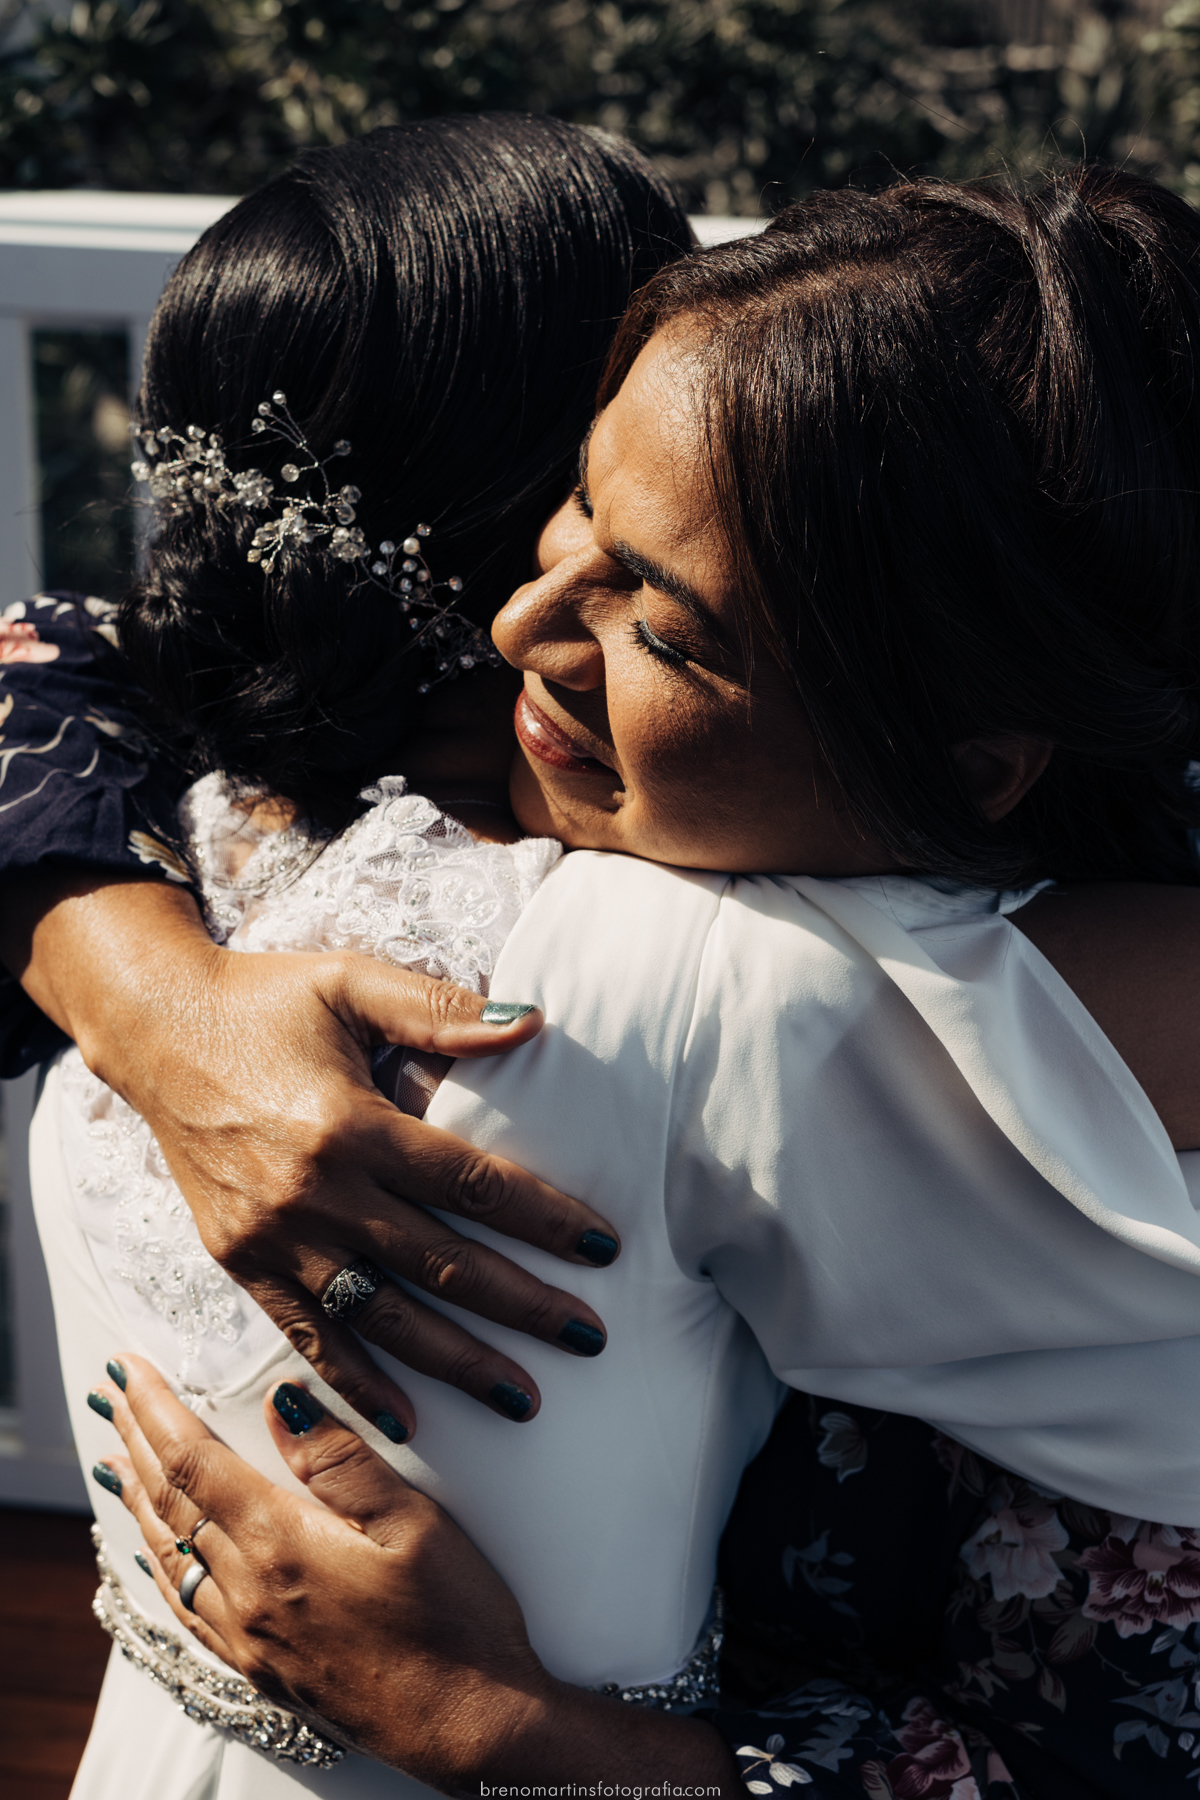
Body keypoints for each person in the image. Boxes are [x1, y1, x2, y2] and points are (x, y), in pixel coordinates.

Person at [62, 159, 1200, 1800]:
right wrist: (152, 994)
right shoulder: (338, 832)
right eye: (581, 500)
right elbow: (49, 663)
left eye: (671, 630)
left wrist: (495, 1729)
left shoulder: (776, 1009)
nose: (519, 620)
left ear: (973, 760)